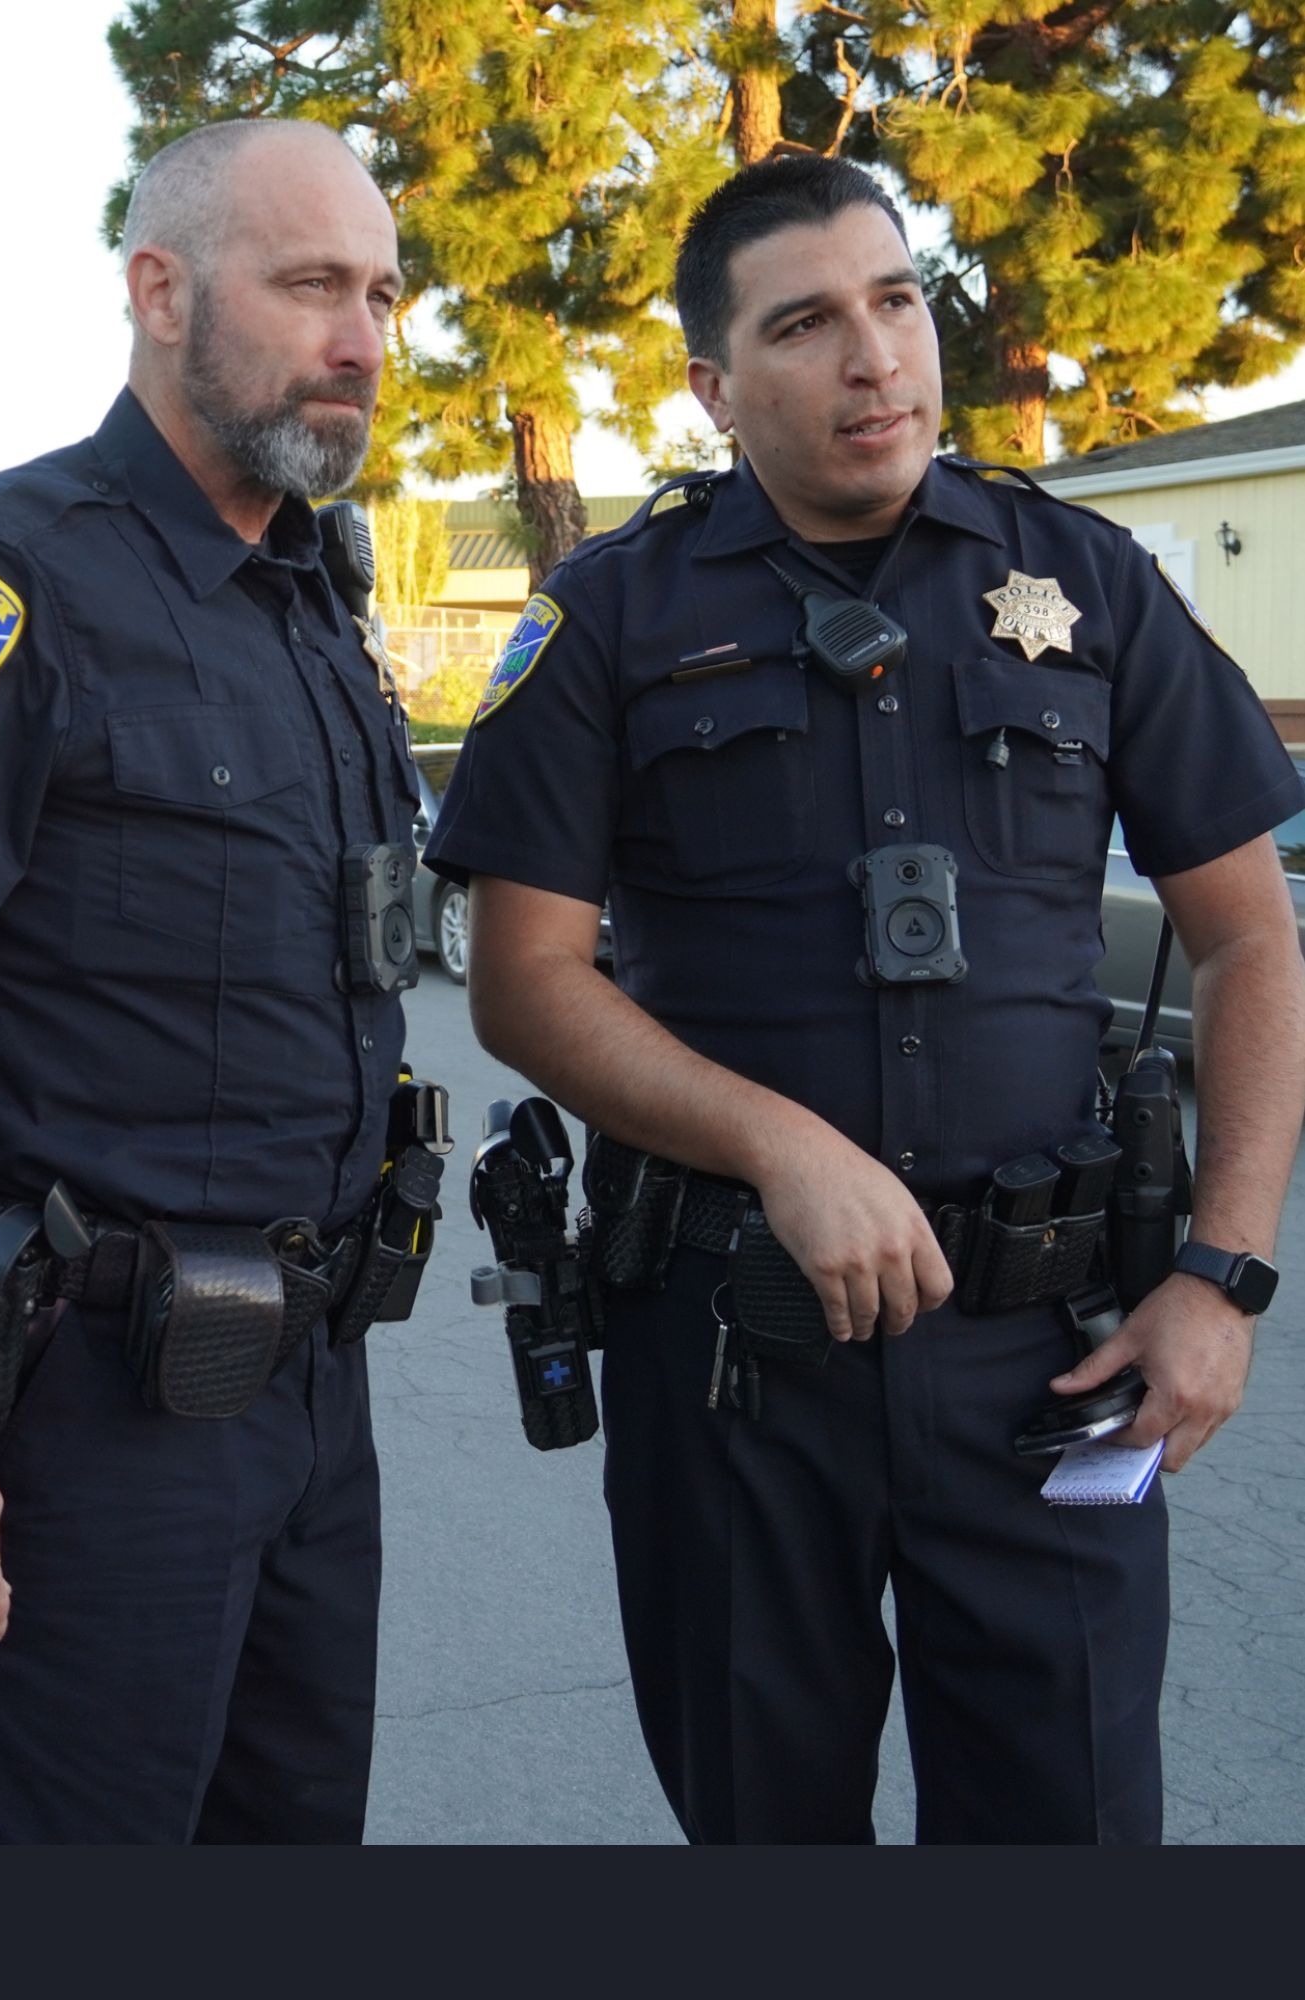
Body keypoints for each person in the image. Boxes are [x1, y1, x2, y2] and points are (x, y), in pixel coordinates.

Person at [425, 155, 1305, 1844]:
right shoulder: (611, 614)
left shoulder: (1088, 583)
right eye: (809, 323)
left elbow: (1252, 942)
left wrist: (1226, 1278)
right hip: (736, 1363)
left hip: (1057, 1358)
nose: (877, 357)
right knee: (769, 1836)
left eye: (897, 301)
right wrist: (783, 1148)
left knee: (1076, 1836)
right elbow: (524, 983)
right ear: (715, 385)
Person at [0, 120, 418, 1844]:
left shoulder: (312, 603)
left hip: (310, 1404)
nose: (360, 337)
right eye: (310, 287)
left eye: (380, 293)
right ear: (159, 290)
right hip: (92, 1424)